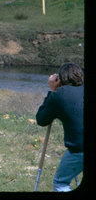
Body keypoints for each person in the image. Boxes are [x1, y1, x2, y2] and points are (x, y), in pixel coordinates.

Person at [35, 62, 84, 192]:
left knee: (60, 183)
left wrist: (52, 90)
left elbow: (41, 120)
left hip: (79, 149)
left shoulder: (60, 95)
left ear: (60, 79)